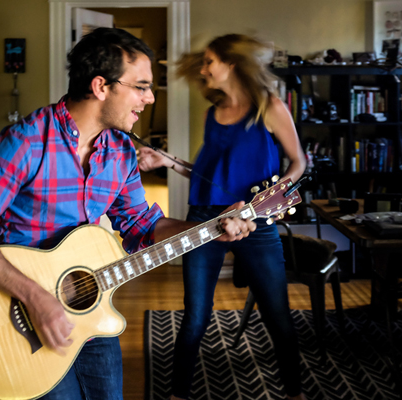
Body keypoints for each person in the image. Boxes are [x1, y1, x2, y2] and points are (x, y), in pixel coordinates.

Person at [0, 28, 256, 400]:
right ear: (101, 86)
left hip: (90, 312)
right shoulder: (26, 142)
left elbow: (143, 226)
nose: (150, 98)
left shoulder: (119, 151)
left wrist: (212, 228)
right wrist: (37, 299)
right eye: (141, 86)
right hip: (17, 316)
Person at [137, 34, 307, 400]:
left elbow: (299, 163)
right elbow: (209, 175)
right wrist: (167, 161)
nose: (203, 69)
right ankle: (177, 394)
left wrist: (252, 206)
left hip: (255, 222)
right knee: (195, 315)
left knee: (277, 314)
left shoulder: (269, 107)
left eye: (209, 61)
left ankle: (295, 394)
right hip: (202, 222)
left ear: (231, 64)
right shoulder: (212, 114)